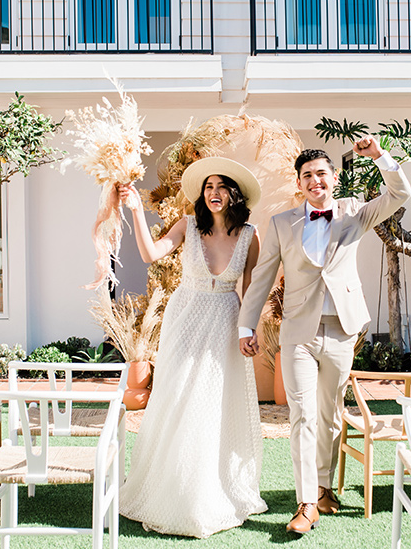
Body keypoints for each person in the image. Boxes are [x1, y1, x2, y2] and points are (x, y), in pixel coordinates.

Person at [237, 136, 411, 534]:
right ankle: (305, 504)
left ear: (333, 177)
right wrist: (247, 325)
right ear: (299, 183)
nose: (314, 180)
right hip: (298, 331)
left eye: (320, 173)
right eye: (306, 176)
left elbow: (401, 191)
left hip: (342, 331)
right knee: (301, 414)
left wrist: (380, 156)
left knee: (330, 412)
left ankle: (323, 486)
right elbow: (262, 277)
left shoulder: (355, 213)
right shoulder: (282, 223)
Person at [117, 156, 267, 538]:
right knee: (179, 397)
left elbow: (250, 291)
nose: (213, 193)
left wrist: (249, 331)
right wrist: (135, 209)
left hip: (225, 322)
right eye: (208, 187)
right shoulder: (188, 226)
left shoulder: (250, 236)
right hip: (186, 317)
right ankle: (170, 489)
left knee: (215, 404)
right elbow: (151, 253)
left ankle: (209, 490)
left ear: (234, 195)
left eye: (221, 187)